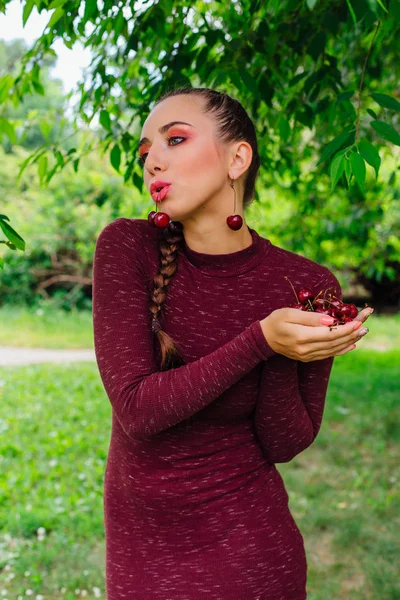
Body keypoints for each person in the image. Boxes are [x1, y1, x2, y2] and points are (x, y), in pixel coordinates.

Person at [92, 87, 373, 600]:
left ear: (237, 158)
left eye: (175, 139)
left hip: (251, 556)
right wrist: (261, 339)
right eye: (144, 151)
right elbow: (136, 410)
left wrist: (286, 351)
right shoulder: (128, 247)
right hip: (142, 557)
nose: (153, 160)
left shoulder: (305, 282)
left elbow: (285, 443)